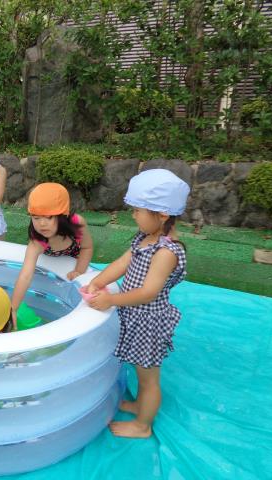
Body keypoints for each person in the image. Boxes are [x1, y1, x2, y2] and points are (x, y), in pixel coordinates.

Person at [85, 169, 190, 439]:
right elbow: (123, 263)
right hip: (135, 316)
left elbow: (148, 293)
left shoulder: (166, 251)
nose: (133, 216)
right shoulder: (145, 238)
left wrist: (111, 299)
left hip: (148, 322)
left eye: (137, 210)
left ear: (162, 214)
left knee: (148, 378)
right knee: (141, 371)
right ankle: (139, 405)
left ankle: (143, 425)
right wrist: (98, 281)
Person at [10, 183, 93, 328]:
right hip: (50, 258)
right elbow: (25, 276)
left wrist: (79, 271)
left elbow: (87, 247)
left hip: (73, 257)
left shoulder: (77, 223)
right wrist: (13, 308)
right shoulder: (37, 242)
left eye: (48, 217)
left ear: (63, 215)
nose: (42, 224)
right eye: (36, 218)